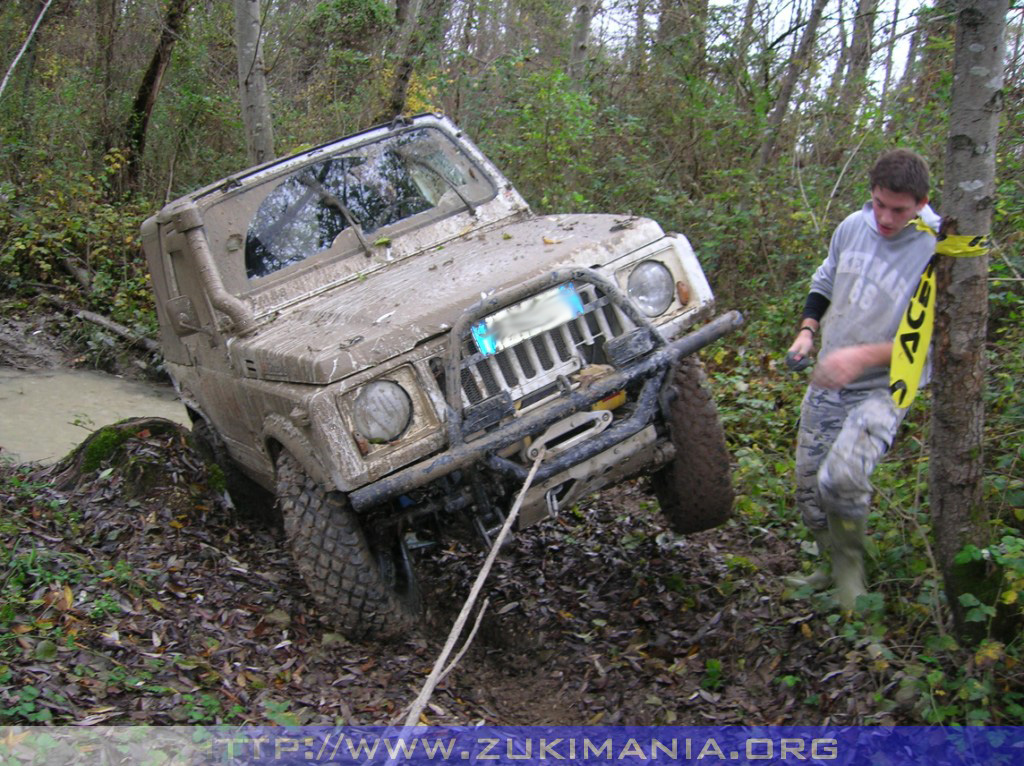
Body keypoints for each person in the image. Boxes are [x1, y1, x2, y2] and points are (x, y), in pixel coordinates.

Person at [785, 149, 940, 611]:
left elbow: (940, 340)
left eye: (899, 209)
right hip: (831, 376)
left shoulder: (939, 247)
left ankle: (852, 577)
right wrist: (808, 331)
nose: (886, 218)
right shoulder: (853, 226)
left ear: (921, 202)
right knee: (810, 489)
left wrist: (863, 357)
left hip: (887, 385)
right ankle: (828, 566)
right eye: (879, 204)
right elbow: (827, 277)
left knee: (844, 476)